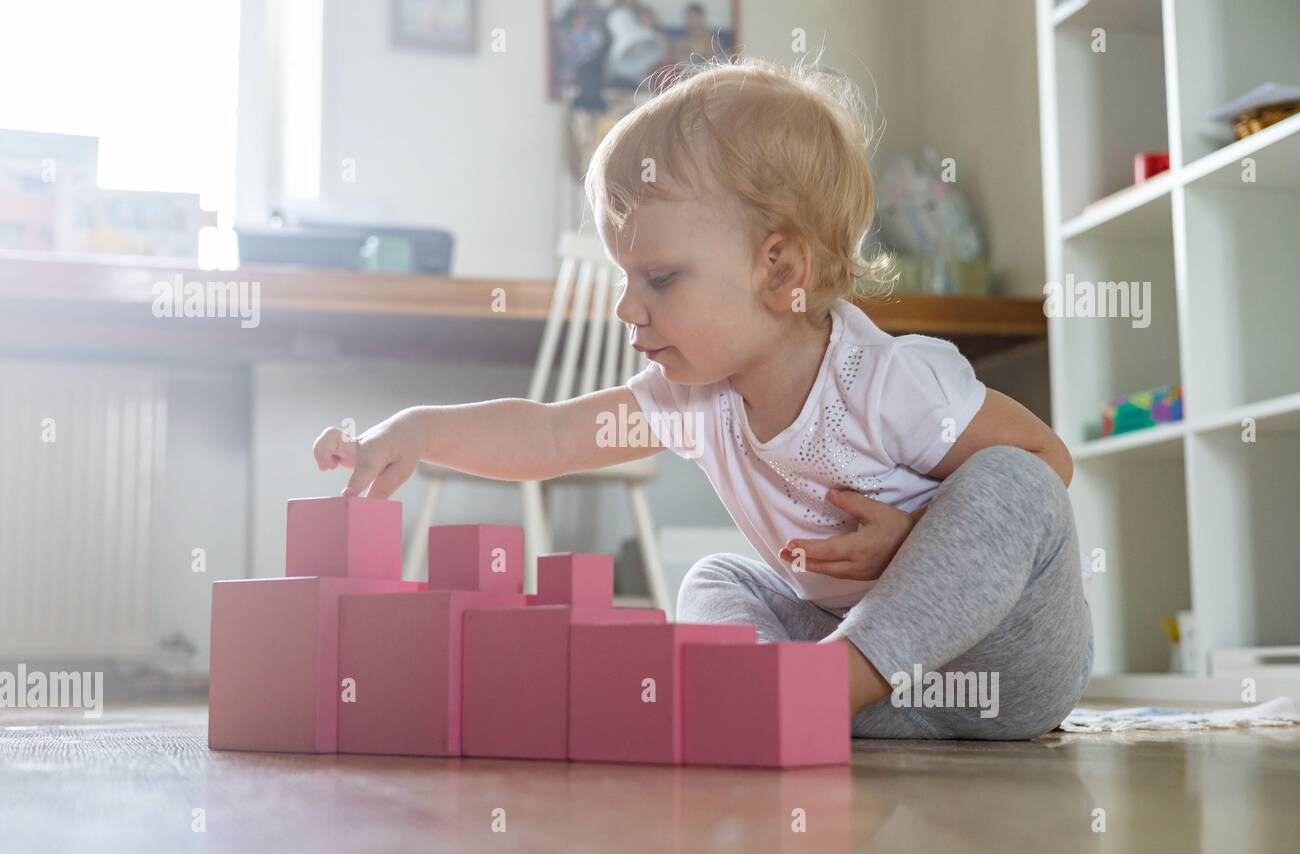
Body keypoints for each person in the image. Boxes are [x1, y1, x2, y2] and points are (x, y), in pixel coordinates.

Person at [314, 57, 1093, 740]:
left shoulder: (888, 382)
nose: (627, 307)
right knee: (714, 579)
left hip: (1006, 669)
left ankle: (819, 688)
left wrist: (915, 539)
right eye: (624, 277)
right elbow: (551, 437)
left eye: (659, 278)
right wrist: (419, 431)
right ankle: (770, 696)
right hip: (881, 698)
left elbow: (1047, 462)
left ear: (779, 271)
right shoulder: (692, 398)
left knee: (1014, 483)